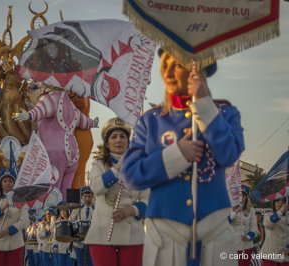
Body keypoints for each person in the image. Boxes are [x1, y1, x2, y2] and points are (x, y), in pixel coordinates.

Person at [122, 50, 245, 266]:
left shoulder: (225, 113)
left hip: (214, 230)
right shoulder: (150, 121)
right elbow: (131, 176)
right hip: (166, 234)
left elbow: (229, 154)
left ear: (198, 70)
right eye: (164, 65)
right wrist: (176, 155)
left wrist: (205, 107)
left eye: (177, 64)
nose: (167, 72)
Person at [84, 118, 149, 266]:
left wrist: (132, 210)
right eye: (113, 137)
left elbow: (149, 199)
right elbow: (95, 187)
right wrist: (118, 168)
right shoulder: (98, 164)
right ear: (107, 144)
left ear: (128, 141)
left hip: (132, 232)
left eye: (122, 136)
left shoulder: (140, 167)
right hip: (102, 233)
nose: (118, 140)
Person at [0, 168, 29, 266]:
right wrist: (3, 206)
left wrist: (8, 231)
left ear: (14, 183)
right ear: (0, 184)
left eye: (10, 181)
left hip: (15, 244)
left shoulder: (21, 200)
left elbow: (25, 221)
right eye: (4, 181)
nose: (7, 183)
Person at [229, 185, 259, 266]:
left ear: (246, 197)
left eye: (243, 195)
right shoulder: (229, 208)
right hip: (232, 245)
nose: (241, 197)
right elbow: (226, 222)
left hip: (247, 246)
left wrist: (248, 236)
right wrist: (236, 212)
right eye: (239, 195)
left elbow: (254, 227)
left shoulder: (251, 210)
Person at [70, 186, 95, 266]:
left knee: (91, 263)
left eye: (89, 196)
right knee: (80, 263)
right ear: (82, 197)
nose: (87, 198)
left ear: (92, 197)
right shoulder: (78, 208)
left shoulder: (96, 209)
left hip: (92, 241)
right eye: (85, 196)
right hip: (79, 242)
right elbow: (71, 221)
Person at [260, 197, 289, 265]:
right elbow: (268, 224)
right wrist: (280, 212)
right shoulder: (268, 214)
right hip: (270, 254)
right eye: (277, 200)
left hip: (285, 254)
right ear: (273, 202)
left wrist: (288, 247)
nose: (281, 202)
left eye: (284, 200)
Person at [52, 201, 75, 266]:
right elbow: (54, 235)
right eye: (61, 210)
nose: (63, 212)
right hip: (60, 247)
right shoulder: (58, 222)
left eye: (64, 210)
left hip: (70, 247)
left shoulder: (72, 221)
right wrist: (55, 246)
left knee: (70, 264)